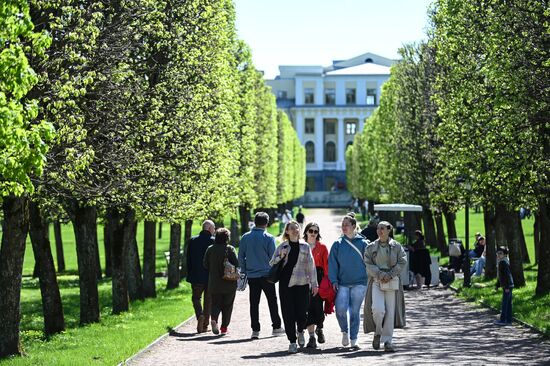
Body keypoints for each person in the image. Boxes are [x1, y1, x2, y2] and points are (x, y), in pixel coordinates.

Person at [270, 221, 318, 354]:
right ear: (287, 231)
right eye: (291, 228)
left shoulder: (305, 246)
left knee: (302, 313)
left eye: (296, 228)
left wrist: (314, 284)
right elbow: (272, 262)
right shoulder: (282, 246)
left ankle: (300, 331)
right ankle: (292, 341)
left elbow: (311, 266)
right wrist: (281, 255)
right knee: (288, 313)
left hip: (302, 284)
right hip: (286, 285)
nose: (295, 230)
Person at [238, 212, 284, 339]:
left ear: (255, 221)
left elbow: (241, 256)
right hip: (266, 275)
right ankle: (276, 326)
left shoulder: (245, 237)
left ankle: (255, 330)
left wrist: (244, 271)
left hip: (252, 275)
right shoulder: (269, 238)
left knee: (254, 303)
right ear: (267, 223)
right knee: (272, 301)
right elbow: (273, 258)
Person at [363, 221, 407, 352]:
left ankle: (388, 341)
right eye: (378, 228)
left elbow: (402, 261)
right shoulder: (371, 247)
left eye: (382, 228)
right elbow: (368, 263)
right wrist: (380, 274)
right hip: (377, 280)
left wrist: (391, 274)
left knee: (390, 312)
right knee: (378, 309)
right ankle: (378, 333)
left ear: (389, 230)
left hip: (391, 281)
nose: (379, 231)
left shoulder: (397, 246)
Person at [328, 214, 369, 349]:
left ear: (353, 226)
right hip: (342, 283)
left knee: (354, 312)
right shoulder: (337, 244)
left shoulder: (364, 244)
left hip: (360, 282)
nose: (344, 227)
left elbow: (370, 263)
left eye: (347, 225)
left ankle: (354, 339)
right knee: (340, 310)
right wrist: (333, 280)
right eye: (343, 225)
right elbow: (332, 264)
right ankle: (344, 331)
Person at [202, 228, 238, 335]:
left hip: (214, 283)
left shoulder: (210, 249)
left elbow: (205, 264)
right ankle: (224, 328)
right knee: (228, 306)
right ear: (227, 238)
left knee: (215, 304)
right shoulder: (230, 249)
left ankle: (214, 319)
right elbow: (236, 263)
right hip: (229, 283)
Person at [186, 220, 215, 333]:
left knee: (196, 298)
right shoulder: (213, 241)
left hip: (196, 276)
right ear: (209, 229)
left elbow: (188, 259)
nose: (214, 231)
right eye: (213, 228)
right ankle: (204, 326)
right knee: (208, 301)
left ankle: (200, 315)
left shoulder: (193, 240)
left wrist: (190, 273)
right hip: (210, 276)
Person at [303, 222, 329, 348]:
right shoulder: (301, 246)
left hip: (318, 278)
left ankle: (320, 328)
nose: (313, 233)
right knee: (307, 308)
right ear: (306, 232)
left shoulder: (322, 247)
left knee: (318, 307)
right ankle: (311, 337)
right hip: (304, 278)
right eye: (311, 231)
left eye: (315, 231)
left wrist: (325, 282)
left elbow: (326, 267)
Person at [495, 247, 514, 325]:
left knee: (505, 303)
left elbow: (507, 275)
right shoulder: (503, 261)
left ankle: (503, 320)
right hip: (509, 285)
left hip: (508, 285)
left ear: (505, 255)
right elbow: (501, 276)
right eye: (498, 253)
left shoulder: (503, 262)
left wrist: (506, 287)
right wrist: (497, 285)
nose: (498, 255)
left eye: (500, 253)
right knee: (508, 303)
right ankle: (509, 320)